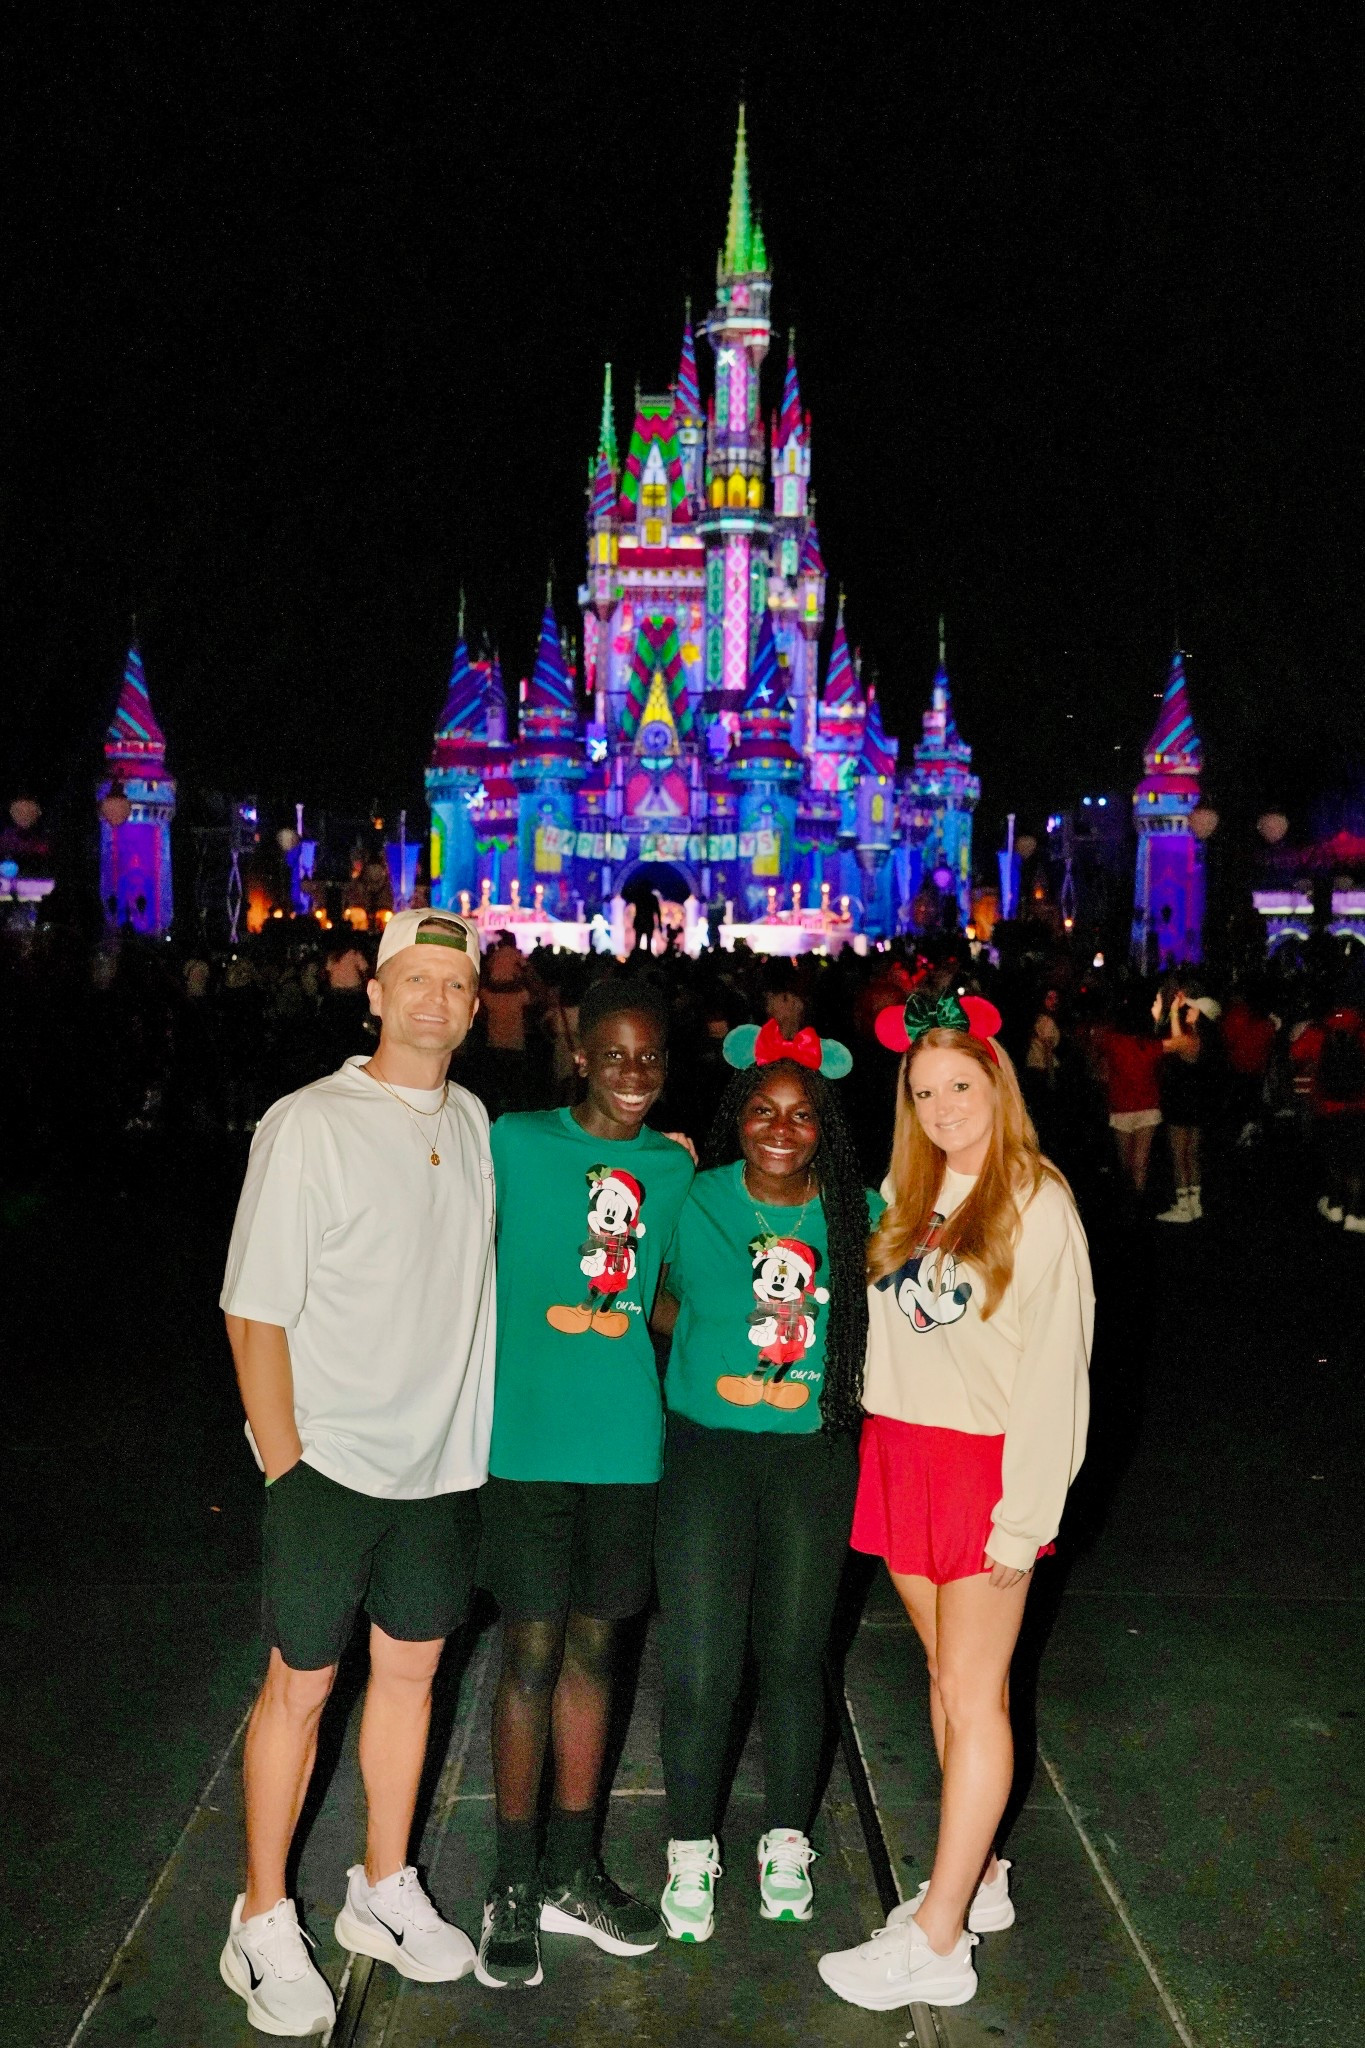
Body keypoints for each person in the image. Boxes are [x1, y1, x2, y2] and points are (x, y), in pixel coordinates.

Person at [218, 909, 495, 2037]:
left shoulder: (473, 1119)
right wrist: (286, 1464)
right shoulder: (309, 1124)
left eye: (454, 982)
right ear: (371, 994)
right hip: (328, 1463)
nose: (432, 999)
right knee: (302, 1683)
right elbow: (253, 1309)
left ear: (477, 1006)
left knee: (412, 1676)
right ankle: (262, 1912)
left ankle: (382, 1885)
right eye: (412, 979)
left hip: (442, 1469)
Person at [818, 988, 1093, 2013]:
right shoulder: (913, 1186)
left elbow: (1057, 1372)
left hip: (986, 1468)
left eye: (959, 1085)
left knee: (975, 1692)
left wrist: (1025, 1515)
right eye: (923, 1089)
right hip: (904, 1454)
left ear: (997, 1084)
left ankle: (938, 1934)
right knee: (944, 1675)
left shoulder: (1037, 1200)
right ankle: (973, 1875)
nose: (941, 1105)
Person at [476, 977, 694, 1990]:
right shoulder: (513, 1141)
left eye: (651, 1056)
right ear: (579, 1054)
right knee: (528, 1648)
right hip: (523, 1439)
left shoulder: (673, 1166)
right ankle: (509, 1881)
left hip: (624, 1444)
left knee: (598, 1653)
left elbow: (673, 1300)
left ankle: (572, 1867)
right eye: (615, 1054)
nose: (635, 1074)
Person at [651, 1017, 876, 1943]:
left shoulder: (858, 1209)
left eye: (802, 1114)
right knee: (702, 1664)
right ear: (735, 1115)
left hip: (812, 1458)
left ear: (825, 1126)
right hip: (706, 1452)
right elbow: (644, 1290)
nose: (781, 1127)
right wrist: (705, 1338)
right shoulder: (688, 1195)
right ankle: (689, 1849)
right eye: (762, 1109)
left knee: (791, 1656)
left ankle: (787, 1838)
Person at [1155, 987, 1221, 1223]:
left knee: (1178, 1154)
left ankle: (1184, 1207)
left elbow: (1168, 1045)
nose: (1188, 1011)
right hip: (1197, 1100)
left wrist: (1169, 1014)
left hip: (1181, 1101)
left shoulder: (1191, 1040)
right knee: (1191, 1154)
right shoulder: (1205, 1040)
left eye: (1193, 1009)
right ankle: (1195, 1203)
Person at [1096, 984, 1165, 1196]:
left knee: (1133, 1164)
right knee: (1135, 1165)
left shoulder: (1115, 1040)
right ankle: (1134, 1203)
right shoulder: (1146, 1042)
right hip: (1137, 1105)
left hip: (1130, 1106)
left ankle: (1133, 1205)